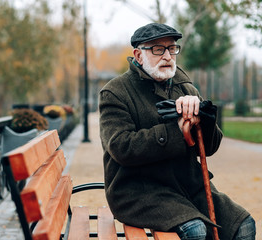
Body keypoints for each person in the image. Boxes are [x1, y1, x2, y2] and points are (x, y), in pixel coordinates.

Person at [98, 23, 256, 240]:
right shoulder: (115, 92)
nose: (167, 56)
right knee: (196, 231)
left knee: (244, 226)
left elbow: (209, 148)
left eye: (172, 49)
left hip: (186, 185)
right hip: (138, 190)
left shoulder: (186, 88)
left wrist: (204, 120)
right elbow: (121, 147)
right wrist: (177, 131)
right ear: (138, 55)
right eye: (157, 49)